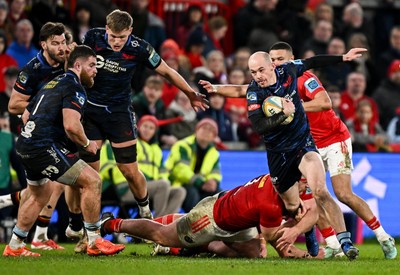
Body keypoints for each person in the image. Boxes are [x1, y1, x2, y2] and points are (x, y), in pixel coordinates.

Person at [198, 47, 368, 260]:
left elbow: (312, 61)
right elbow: (259, 126)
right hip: (279, 155)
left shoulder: (288, 70)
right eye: (253, 72)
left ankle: (345, 242)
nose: (258, 76)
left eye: (261, 70)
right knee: (292, 206)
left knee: (320, 191)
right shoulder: (255, 93)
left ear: (272, 66)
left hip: (303, 146)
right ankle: (308, 231)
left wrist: (344, 57)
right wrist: (284, 113)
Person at [268, 42, 397, 259]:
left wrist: (291, 107)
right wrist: (216, 89)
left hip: (335, 139)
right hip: (310, 146)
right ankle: (332, 244)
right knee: (312, 196)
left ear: (292, 60)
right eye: (272, 60)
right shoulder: (273, 86)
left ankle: (383, 236)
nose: (275, 63)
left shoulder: (304, 78)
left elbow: (325, 103)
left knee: (343, 194)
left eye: (280, 59)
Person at [80, 10, 207, 222]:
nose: (117, 42)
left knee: (129, 170)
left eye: (122, 37)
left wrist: (190, 93)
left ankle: (145, 210)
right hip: (91, 111)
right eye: (113, 36)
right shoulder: (92, 37)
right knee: (90, 176)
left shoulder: (140, 48)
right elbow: (75, 63)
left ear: (130, 31)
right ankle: (87, 231)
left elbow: (166, 71)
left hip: (119, 113)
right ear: (107, 29)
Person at [2, 45, 125, 257]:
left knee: (39, 195)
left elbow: (26, 114)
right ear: (78, 65)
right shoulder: (75, 87)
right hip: (42, 147)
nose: (97, 70)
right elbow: (71, 125)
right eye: (92, 65)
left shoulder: (52, 82)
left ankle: (14, 245)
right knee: (92, 180)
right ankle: (94, 240)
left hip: (25, 143)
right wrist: (88, 144)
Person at [100, 173, 319, 259]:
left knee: (255, 254)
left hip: (235, 219)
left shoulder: (278, 179)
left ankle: (199, 247)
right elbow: (274, 239)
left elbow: (314, 209)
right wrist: (294, 224)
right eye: (303, 185)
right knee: (162, 235)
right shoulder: (270, 204)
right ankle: (112, 224)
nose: (305, 189)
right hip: (211, 219)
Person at [7, 22, 83, 251]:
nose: (61, 48)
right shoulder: (32, 70)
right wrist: (40, 105)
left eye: (63, 42)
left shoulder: (66, 61)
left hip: (58, 133)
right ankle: (35, 237)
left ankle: (29, 239)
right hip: (37, 136)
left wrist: (76, 56)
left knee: (45, 189)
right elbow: (13, 105)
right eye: (55, 43)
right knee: (54, 185)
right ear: (43, 45)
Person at [100, 115, 186, 217]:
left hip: (148, 188)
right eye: (145, 126)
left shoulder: (156, 150)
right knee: (163, 185)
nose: (148, 130)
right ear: (138, 127)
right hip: (126, 186)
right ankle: (157, 226)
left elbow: (162, 173)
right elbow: (108, 166)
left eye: (151, 128)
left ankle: (164, 222)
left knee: (179, 191)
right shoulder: (129, 141)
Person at [164, 118, 222, 213]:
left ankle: (218, 224)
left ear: (214, 137)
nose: (206, 132)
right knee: (192, 193)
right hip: (178, 183)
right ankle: (192, 224)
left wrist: (213, 182)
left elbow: (216, 173)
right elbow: (181, 170)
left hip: (199, 184)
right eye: (204, 128)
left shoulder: (214, 153)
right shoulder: (182, 145)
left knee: (220, 194)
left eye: (211, 130)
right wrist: (201, 183)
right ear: (196, 130)